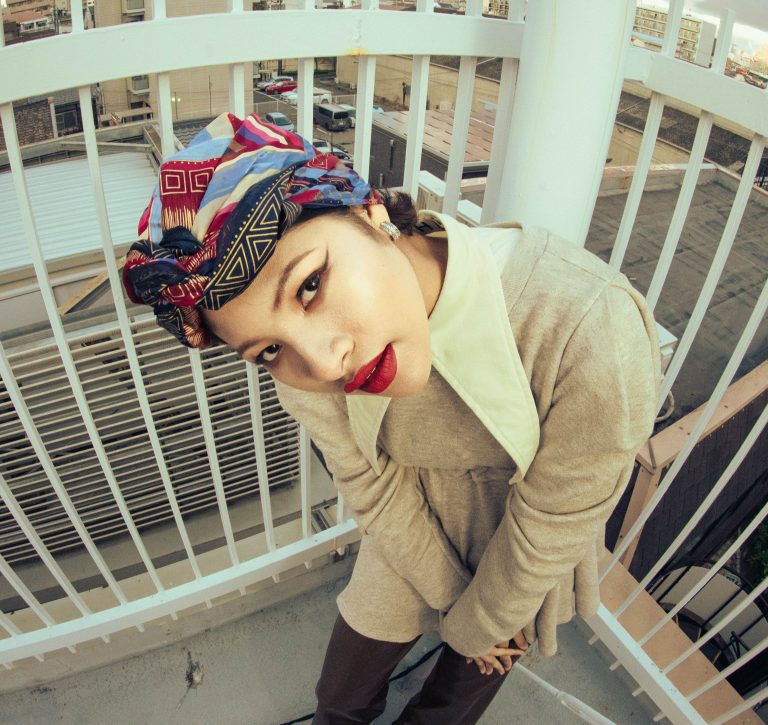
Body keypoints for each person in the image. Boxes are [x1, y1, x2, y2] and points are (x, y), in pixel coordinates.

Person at [123, 112, 661, 724]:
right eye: (267, 349)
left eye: (309, 286)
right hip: (411, 520)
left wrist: (479, 625)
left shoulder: (592, 328)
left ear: (371, 214)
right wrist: (454, 603)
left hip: (526, 549)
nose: (325, 363)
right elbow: (372, 487)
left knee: (450, 706)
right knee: (339, 698)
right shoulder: (304, 369)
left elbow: (552, 522)